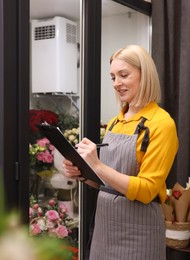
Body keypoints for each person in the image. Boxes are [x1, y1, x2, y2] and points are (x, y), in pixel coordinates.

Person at [62, 45, 179, 260]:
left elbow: (147, 191)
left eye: (124, 75)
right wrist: (81, 173)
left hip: (139, 233)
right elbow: (105, 182)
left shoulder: (162, 124)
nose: (117, 83)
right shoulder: (116, 121)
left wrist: (97, 165)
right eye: (113, 77)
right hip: (104, 229)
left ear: (145, 75)